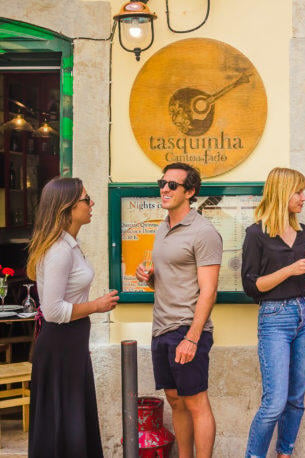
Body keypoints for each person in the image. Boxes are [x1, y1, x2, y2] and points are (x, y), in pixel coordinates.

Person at [27, 177, 119, 457]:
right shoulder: (59, 250)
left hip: (71, 344)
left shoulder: (69, 246)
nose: (91, 204)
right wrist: (96, 305)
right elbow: (53, 310)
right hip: (60, 346)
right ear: (67, 207)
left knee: (72, 420)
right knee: (64, 423)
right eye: (85, 199)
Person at [136, 162, 222, 458]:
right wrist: (150, 278)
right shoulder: (163, 227)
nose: (164, 189)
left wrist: (193, 337)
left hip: (187, 329)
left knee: (196, 402)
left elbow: (208, 290)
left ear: (190, 192)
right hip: (161, 327)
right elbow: (170, 277)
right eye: (162, 183)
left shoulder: (203, 232)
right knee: (175, 400)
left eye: (173, 185)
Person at [241, 168, 305, 458]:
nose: (303, 198)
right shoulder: (256, 234)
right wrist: (291, 269)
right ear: (282, 193)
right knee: (274, 403)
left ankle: (284, 453)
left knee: (296, 399)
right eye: (298, 192)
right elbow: (252, 287)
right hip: (275, 318)